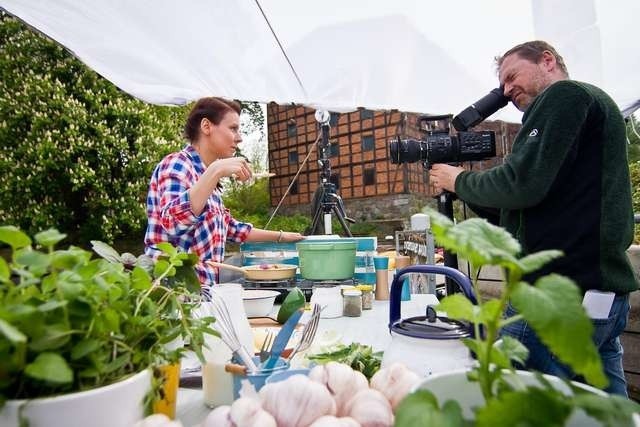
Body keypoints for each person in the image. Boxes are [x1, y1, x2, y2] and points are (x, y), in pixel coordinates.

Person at [429, 40, 638, 396]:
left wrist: (458, 180)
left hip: (558, 297)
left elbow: (521, 183)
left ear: (547, 61)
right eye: (502, 86)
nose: (507, 91)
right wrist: (467, 189)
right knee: (609, 410)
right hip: (602, 297)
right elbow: (524, 205)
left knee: (504, 396)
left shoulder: (566, 96)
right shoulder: (590, 110)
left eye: (511, 77)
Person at [144, 97, 304, 292]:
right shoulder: (177, 164)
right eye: (233, 128)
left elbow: (230, 229)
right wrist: (216, 170)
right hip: (173, 294)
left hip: (203, 292)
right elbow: (172, 223)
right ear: (206, 126)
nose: (239, 137)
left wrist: (282, 236)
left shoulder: (207, 177)